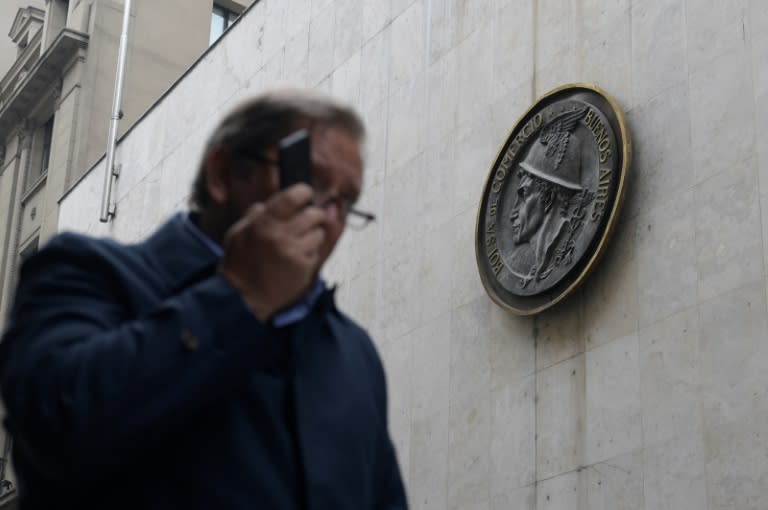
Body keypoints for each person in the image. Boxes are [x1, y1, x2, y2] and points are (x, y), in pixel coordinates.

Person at [0, 90, 408, 509]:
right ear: (223, 173)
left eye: (346, 202)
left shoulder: (352, 351)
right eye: (312, 184)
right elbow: (57, 427)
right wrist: (240, 295)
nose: (329, 219)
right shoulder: (83, 272)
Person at [508, 106, 593, 288]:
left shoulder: (565, 246)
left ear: (547, 200)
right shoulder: (521, 260)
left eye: (523, 196)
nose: (512, 213)